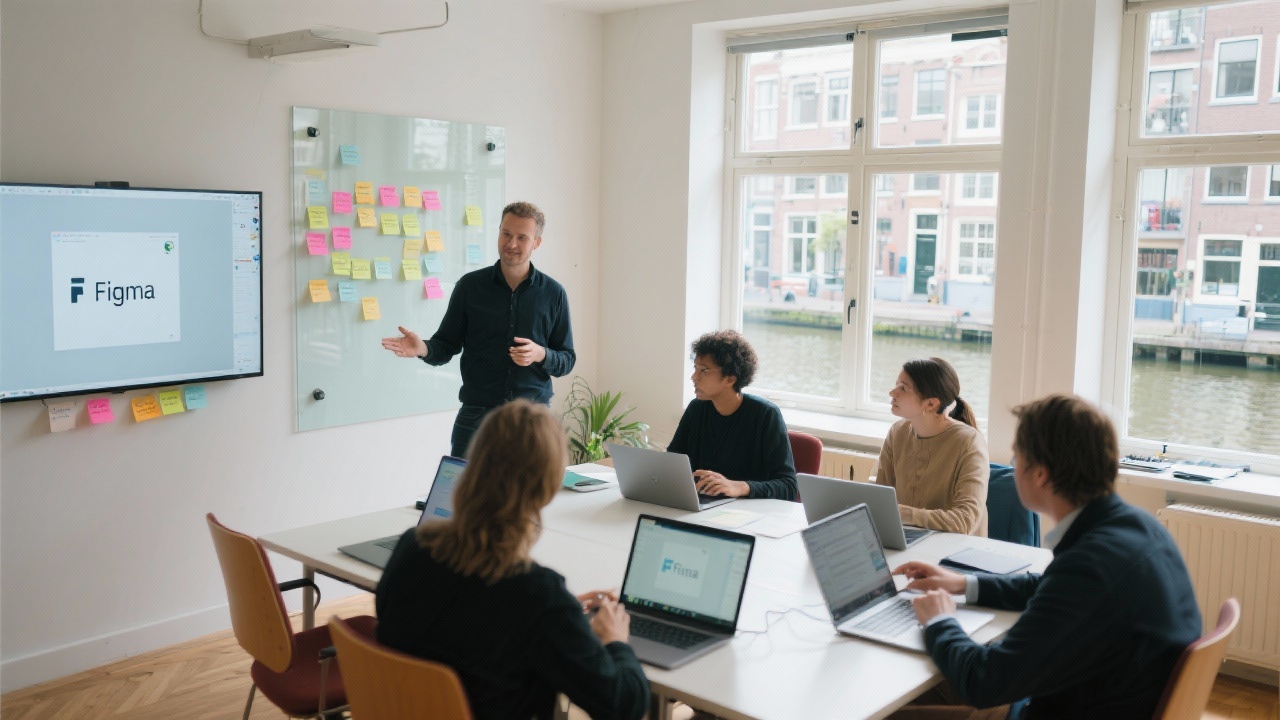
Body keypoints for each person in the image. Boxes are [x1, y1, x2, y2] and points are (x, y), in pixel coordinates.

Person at [890, 394, 1202, 720]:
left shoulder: (1091, 566)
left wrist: (939, 620)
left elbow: (984, 681)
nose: (1013, 467)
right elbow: (1051, 588)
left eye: (1016, 457)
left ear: (1039, 474)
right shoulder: (1136, 526)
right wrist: (963, 584)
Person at [375, 399, 649, 720]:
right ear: (546, 489)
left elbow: (472, 616)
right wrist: (615, 640)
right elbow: (624, 705)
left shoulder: (412, 549)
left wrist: (560, 615)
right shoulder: (536, 596)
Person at [381, 201, 574, 457]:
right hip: (476, 417)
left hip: (533, 419)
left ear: (536, 242)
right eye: (506, 234)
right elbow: (446, 345)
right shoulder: (470, 287)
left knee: (528, 497)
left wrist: (540, 354)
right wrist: (423, 348)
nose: (511, 244)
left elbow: (567, 359)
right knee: (463, 494)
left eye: (521, 238)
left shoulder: (553, 293)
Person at [667, 330, 796, 500]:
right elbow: (673, 463)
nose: (694, 377)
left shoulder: (765, 415)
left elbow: (788, 486)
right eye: (695, 368)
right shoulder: (696, 409)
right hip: (703, 505)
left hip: (747, 513)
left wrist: (741, 487)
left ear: (730, 379)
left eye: (704, 370)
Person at [877, 357, 988, 535]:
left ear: (930, 404)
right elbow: (880, 500)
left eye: (903, 388)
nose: (892, 392)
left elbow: (964, 521)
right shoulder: (897, 433)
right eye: (896, 385)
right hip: (906, 543)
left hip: (955, 553)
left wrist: (905, 514)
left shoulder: (969, 442)